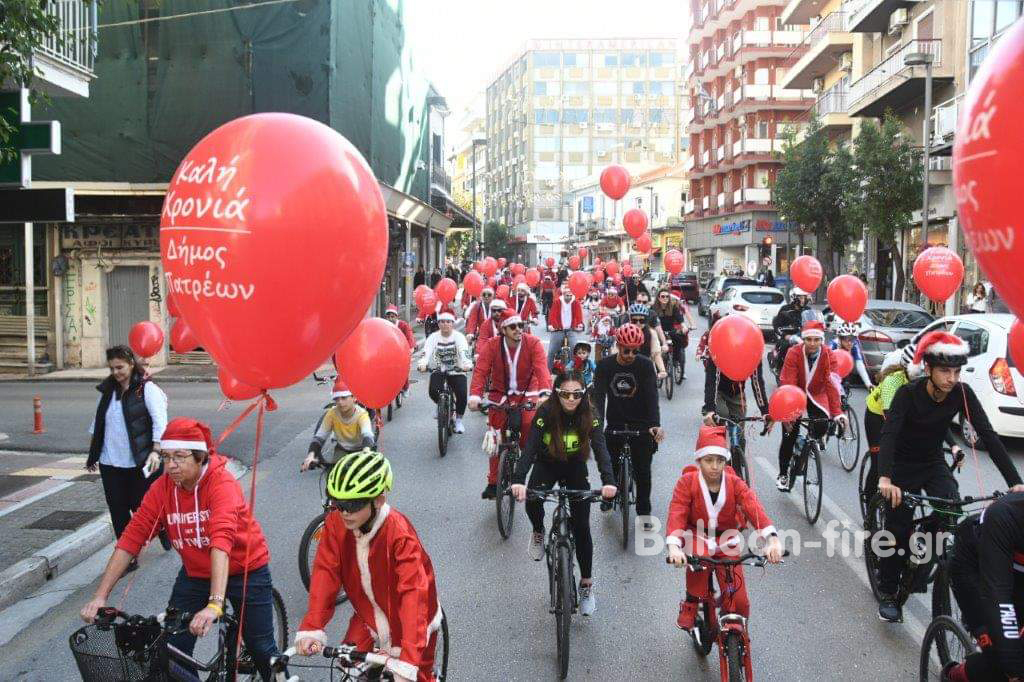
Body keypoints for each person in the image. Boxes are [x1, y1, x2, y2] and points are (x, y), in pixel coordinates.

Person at [81, 418, 279, 681]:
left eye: (179, 456)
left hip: (245, 570)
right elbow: (132, 538)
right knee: (170, 653)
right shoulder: (162, 489)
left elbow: (221, 543)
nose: (170, 465)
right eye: (165, 456)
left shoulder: (222, 485)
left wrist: (215, 605)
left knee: (263, 648)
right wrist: (100, 597)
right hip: (196, 575)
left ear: (200, 457)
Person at [875, 332, 1024, 623]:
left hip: (932, 462)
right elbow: (889, 435)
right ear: (928, 369)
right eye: (945, 371)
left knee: (951, 509)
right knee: (897, 529)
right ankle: (889, 590)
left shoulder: (962, 394)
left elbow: (989, 436)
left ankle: (924, 554)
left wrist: (1014, 481)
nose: (952, 378)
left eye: (956, 371)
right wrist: (884, 478)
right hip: (902, 465)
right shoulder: (908, 394)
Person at [294, 450, 442, 682]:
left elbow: (414, 594)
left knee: (414, 676)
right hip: (368, 616)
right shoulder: (335, 523)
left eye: (352, 504)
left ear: (378, 500)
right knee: (346, 668)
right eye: (338, 502)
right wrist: (312, 626)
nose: (343, 511)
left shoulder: (399, 534)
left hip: (411, 623)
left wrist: (409, 660)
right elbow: (325, 572)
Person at [510, 372, 617, 616]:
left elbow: (601, 450)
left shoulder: (590, 414)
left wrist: (609, 482)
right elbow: (530, 448)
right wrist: (518, 481)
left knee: (582, 527)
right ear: (557, 393)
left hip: (575, 467)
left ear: (583, 394)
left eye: (576, 394)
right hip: (546, 464)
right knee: (532, 500)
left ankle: (587, 585)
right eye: (565, 394)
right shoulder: (546, 412)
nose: (571, 399)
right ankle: (538, 531)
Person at [666, 425, 783, 630]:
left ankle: (734, 632)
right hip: (697, 535)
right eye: (708, 460)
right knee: (698, 559)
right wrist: (674, 547)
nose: (714, 466)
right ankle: (691, 603)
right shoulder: (687, 482)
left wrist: (771, 538)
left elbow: (753, 507)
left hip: (727, 540)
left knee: (739, 601)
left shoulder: (734, 482)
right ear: (699, 460)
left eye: (720, 460)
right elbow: (677, 512)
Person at [87, 345, 169, 565]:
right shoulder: (107, 392)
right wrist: (93, 455)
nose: (116, 372)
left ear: (131, 364)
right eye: (112, 368)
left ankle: (162, 526)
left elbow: (160, 422)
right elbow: (98, 425)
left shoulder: (147, 389)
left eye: (120, 367)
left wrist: (156, 450)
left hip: (142, 460)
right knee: (118, 509)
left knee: (142, 507)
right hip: (110, 461)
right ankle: (128, 558)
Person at [469, 310, 553, 499]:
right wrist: (474, 396)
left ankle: (526, 467)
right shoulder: (492, 346)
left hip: (528, 393)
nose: (518, 330)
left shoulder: (533, 343)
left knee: (528, 426)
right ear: (503, 329)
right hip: (500, 396)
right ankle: (493, 482)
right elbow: (481, 371)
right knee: (496, 437)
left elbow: (541, 367)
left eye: (520, 325)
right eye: (513, 327)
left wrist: (545, 392)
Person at [592, 324, 664, 527]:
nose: (631, 354)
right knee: (609, 463)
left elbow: (652, 397)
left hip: (641, 424)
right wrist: (596, 423)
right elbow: (598, 398)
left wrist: (654, 425)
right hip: (615, 421)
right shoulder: (605, 366)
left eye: (635, 350)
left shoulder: (645, 365)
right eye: (626, 350)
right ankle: (609, 493)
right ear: (618, 345)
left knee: (643, 471)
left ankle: (644, 511)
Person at [947, 492, 1024, 681]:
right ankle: (954, 675)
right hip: (974, 567)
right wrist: (1013, 667)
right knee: (1003, 658)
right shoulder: (1005, 514)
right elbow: (998, 594)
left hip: (1015, 573)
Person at [776, 319, 845, 492]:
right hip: (794, 393)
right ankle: (783, 473)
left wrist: (837, 413)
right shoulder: (794, 353)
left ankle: (806, 444)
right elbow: (788, 382)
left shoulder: (829, 355)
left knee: (822, 424)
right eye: (809, 339)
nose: (812, 343)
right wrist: (788, 414)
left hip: (817, 394)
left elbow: (833, 384)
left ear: (822, 340)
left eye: (816, 339)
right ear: (804, 340)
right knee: (789, 434)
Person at [417, 312, 473, 434]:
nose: (445, 324)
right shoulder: (433, 337)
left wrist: (467, 364)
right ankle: (440, 405)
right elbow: (426, 352)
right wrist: (423, 363)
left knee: (462, 394)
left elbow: (464, 352)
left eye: (448, 321)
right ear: (438, 324)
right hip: (439, 369)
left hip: (457, 370)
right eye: (442, 322)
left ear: (452, 324)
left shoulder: (459, 337)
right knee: (433, 390)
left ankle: (458, 421)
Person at [304, 377, 375, 470]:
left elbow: (367, 434)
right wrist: (311, 455)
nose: (340, 402)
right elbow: (319, 437)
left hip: (362, 449)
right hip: (342, 449)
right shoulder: (332, 414)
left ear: (354, 398)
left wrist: (366, 450)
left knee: (366, 477)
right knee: (333, 476)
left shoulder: (362, 415)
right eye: (336, 399)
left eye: (344, 398)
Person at [653, 287, 695, 380]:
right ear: (659, 298)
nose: (665, 298)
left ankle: (675, 360)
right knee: (656, 346)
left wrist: (684, 326)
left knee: (679, 340)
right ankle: (658, 368)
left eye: (667, 296)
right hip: (658, 332)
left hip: (671, 330)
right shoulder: (654, 308)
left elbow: (680, 319)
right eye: (662, 296)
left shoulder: (673, 307)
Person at [625, 303, 668, 379]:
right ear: (630, 320)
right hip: (627, 368)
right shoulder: (623, 332)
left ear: (646, 320)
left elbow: (656, 354)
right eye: (634, 320)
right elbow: (616, 352)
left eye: (641, 320)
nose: (638, 323)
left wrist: (662, 370)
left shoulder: (651, 333)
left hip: (646, 367)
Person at [546, 286, 585, 371]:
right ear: (563, 295)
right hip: (558, 329)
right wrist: (552, 326)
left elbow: (579, 316)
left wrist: (579, 325)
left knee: (575, 349)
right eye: (567, 295)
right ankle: (547, 371)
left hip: (571, 329)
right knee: (551, 350)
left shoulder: (576, 303)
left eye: (570, 295)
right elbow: (552, 315)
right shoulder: (557, 302)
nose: (569, 297)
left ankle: (576, 370)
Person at [829, 322, 874, 388]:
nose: (850, 343)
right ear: (840, 339)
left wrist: (868, 384)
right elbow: (825, 363)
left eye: (852, 339)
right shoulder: (833, 344)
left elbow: (859, 364)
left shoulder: (855, 345)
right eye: (846, 340)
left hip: (846, 369)